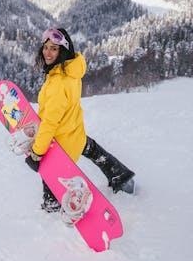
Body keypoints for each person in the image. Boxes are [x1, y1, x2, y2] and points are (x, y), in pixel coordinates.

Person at [25, 27, 135, 212]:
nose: (48, 52)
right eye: (46, 47)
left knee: (50, 176)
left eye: (54, 48)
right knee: (91, 149)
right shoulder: (71, 71)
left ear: (63, 51)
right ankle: (121, 176)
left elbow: (50, 124)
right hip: (75, 133)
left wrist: (37, 153)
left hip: (60, 145)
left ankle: (52, 207)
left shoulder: (58, 83)